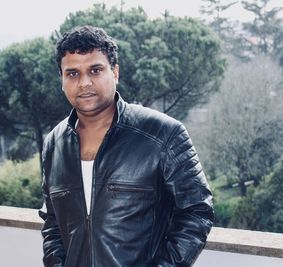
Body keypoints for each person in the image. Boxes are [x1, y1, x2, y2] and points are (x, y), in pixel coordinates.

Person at [39, 25, 214, 267]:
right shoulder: (54, 144)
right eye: (73, 74)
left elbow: (197, 211)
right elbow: (52, 221)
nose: (84, 82)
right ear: (62, 79)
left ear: (115, 72)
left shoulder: (162, 133)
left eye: (95, 70)